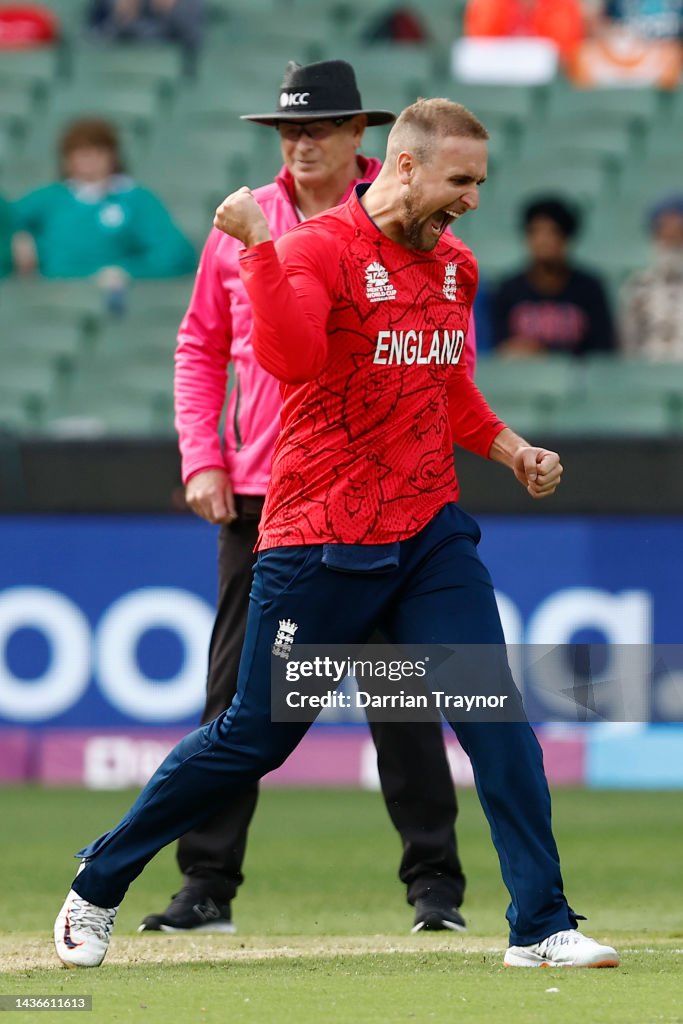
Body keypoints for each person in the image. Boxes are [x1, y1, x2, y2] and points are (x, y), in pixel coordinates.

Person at [54, 97, 620, 971]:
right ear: (403, 166)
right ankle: (100, 878)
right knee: (252, 737)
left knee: (496, 723)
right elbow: (288, 360)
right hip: (319, 536)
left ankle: (540, 925)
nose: (472, 198)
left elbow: (449, 388)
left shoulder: (457, 269)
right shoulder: (317, 249)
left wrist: (511, 451)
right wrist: (256, 249)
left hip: (429, 532)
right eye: (459, 180)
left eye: (479, 181)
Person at [142, 60, 473, 938]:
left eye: (319, 127)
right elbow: (199, 345)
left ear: (360, 136)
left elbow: (444, 359)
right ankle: (205, 886)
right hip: (263, 496)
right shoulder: (239, 222)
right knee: (237, 703)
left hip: (382, 496)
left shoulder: (407, 219)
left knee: (404, 698)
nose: (300, 142)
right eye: (288, 129)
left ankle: (434, 891)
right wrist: (201, 456)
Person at [11, 117, 196, 312]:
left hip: (109, 304)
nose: (90, 160)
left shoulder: (135, 200)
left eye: (98, 152)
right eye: (82, 153)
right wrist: (20, 238)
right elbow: (10, 220)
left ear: (113, 156)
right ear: (67, 159)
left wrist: (127, 272)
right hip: (53, 300)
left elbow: (175, 254)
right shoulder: (49, 199)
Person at [492, 196, 616, 357]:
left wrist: (545, 353)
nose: (543, 241)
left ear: (566, 238)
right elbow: (497, 347)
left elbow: (602, 350)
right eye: (535, 232)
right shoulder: (508, 289)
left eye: (552, 232)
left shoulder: (590, 288)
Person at [619, 194, 683, 359]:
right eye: (662, 228)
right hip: (648, 379)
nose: (671, 237)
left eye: (678, 230)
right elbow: (627, 346)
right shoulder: (639, 287)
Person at [86, 0, 203, 69]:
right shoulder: (108, 3)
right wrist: (119, 18)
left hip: (164, 76)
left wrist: (174, 11)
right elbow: (89, 46)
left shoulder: (188, 4)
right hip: (118, 72)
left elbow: (194, 47)